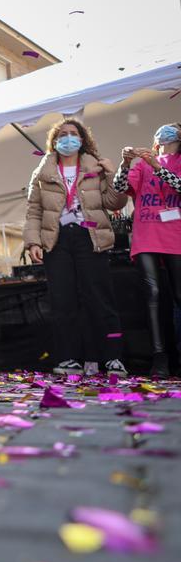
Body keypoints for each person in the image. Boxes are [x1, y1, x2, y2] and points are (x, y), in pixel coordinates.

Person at [24, 119, 127, 376]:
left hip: (90, 236)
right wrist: (33, 241)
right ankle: (68, 358)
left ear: (82, 139)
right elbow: (34, 210)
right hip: (57, 240)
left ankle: (113, 357)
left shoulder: (96, 166)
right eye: (63, 134)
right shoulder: (43, 171)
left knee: (101, 300)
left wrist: (114, 174)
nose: (68, 138)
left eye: (73, 134)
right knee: (62, 302)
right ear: (54, 141)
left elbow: (115, 201)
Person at [113, 123, 181, 378]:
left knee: (179, 295)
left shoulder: (165, 162)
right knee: (152, 293)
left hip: (176, 235)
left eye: (172, 129)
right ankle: (159, 357)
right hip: (147, 234)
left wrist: (157, 167)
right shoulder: (142, 163)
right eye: (161, 130)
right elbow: (119, 188)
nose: (165, 133)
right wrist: (124, 164)